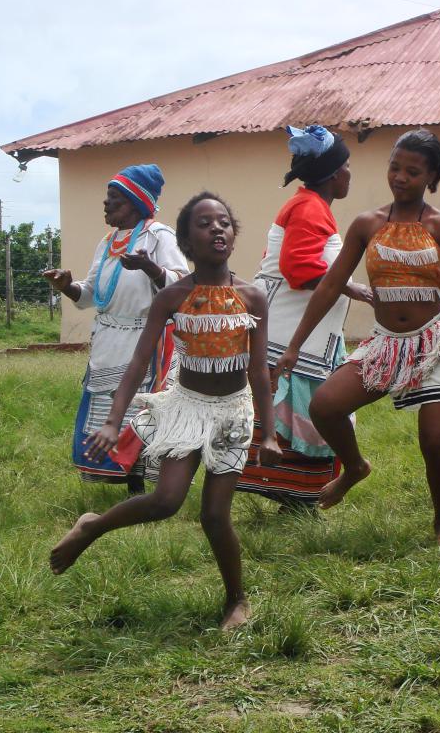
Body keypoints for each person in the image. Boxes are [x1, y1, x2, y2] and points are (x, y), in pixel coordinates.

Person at [272, 129, 440, 545]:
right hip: (386, 342)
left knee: (435, 440)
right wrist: (295, 345)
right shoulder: (366, 224)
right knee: (325, 406)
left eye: (412, 171)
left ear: (431, 177)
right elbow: (331, 285)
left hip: (436, 342)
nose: (400, 177)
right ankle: (354, 467)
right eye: (394, 167)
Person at [49, 193, 281, 630]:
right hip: (187, 407)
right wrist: (114, 421)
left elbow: (259, 370)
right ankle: (92, 526)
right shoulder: (173, 296)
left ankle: (236, 600)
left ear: (234, 236)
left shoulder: (252, 296)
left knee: (215, 515)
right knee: (165, 500)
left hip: (233, 412)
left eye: (224, 222)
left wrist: (267, 433)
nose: (217, 228)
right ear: (186, 244)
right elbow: (138, 362)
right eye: (204, 224)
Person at [239, 125, 372, 512]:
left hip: (299, 329)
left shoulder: (310, 206)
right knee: (302, 412)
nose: (350, 174)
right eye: (347, 166)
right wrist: (353, 288)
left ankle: (296, 497)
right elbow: (298, 269)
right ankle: (295, 496)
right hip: (291, 333)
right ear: (333, 173)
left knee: (307, 411)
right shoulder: (309, 208)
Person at [42, 164, 189, 493]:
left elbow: (181, 285)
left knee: (138, 408)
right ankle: (118, 475)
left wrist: (149, 267)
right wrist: (67, 286)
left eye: (115, 199)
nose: (106, 205)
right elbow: (92, 294)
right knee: (107, 405)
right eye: (107, 198)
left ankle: (138, 485)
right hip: (109, 339)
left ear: (136, 203)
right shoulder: (107, 243)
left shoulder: (158, 237)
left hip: (145, 339)